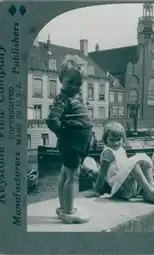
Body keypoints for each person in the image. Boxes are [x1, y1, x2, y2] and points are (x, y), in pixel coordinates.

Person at [46, 54, 93, 224]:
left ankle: (64, 206)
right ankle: (69, 210)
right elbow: (52, 120)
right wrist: (64, 133)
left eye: (79, 83)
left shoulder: (77, 97)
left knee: (65, 173)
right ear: (61, 80)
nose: (74, 86)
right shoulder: (63, 99)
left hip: (76, 143)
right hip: (71, 143)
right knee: (73, 176)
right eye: (70, 82)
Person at [85, 122, 154, 205]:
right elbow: (102, 173)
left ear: (123, 140)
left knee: (143, 160)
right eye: (112, 140)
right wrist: (96, 189)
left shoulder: (120, 149)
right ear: (106, 140)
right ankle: (150, 191)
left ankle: (152, 188)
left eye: (118, 140)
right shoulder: (109, 152)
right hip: (118, 186)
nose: (115, 143)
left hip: (125, 183)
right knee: (133, 163)